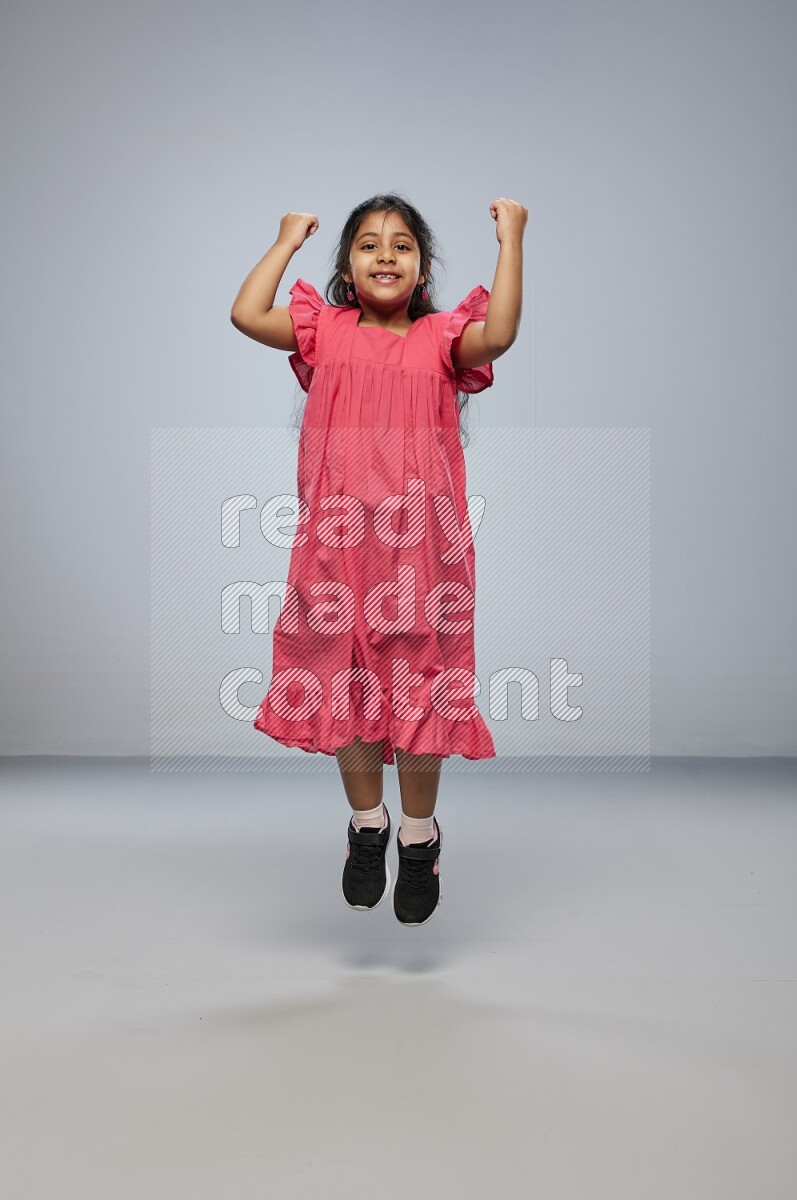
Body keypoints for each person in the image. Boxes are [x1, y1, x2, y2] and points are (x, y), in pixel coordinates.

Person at [230, 193, 527, 927]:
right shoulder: (323, 332)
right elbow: (245, 314)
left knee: (418, 691)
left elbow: (504, 333)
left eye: (401, 245)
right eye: (368, 244)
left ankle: (420, 840)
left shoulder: (441, 338)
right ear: (346, 267)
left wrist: (511, 238)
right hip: (334, 551)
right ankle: (369, 827)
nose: (385, 254)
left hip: (421, 554)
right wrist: (284, 240)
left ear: (422, 268)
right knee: (344, 685)